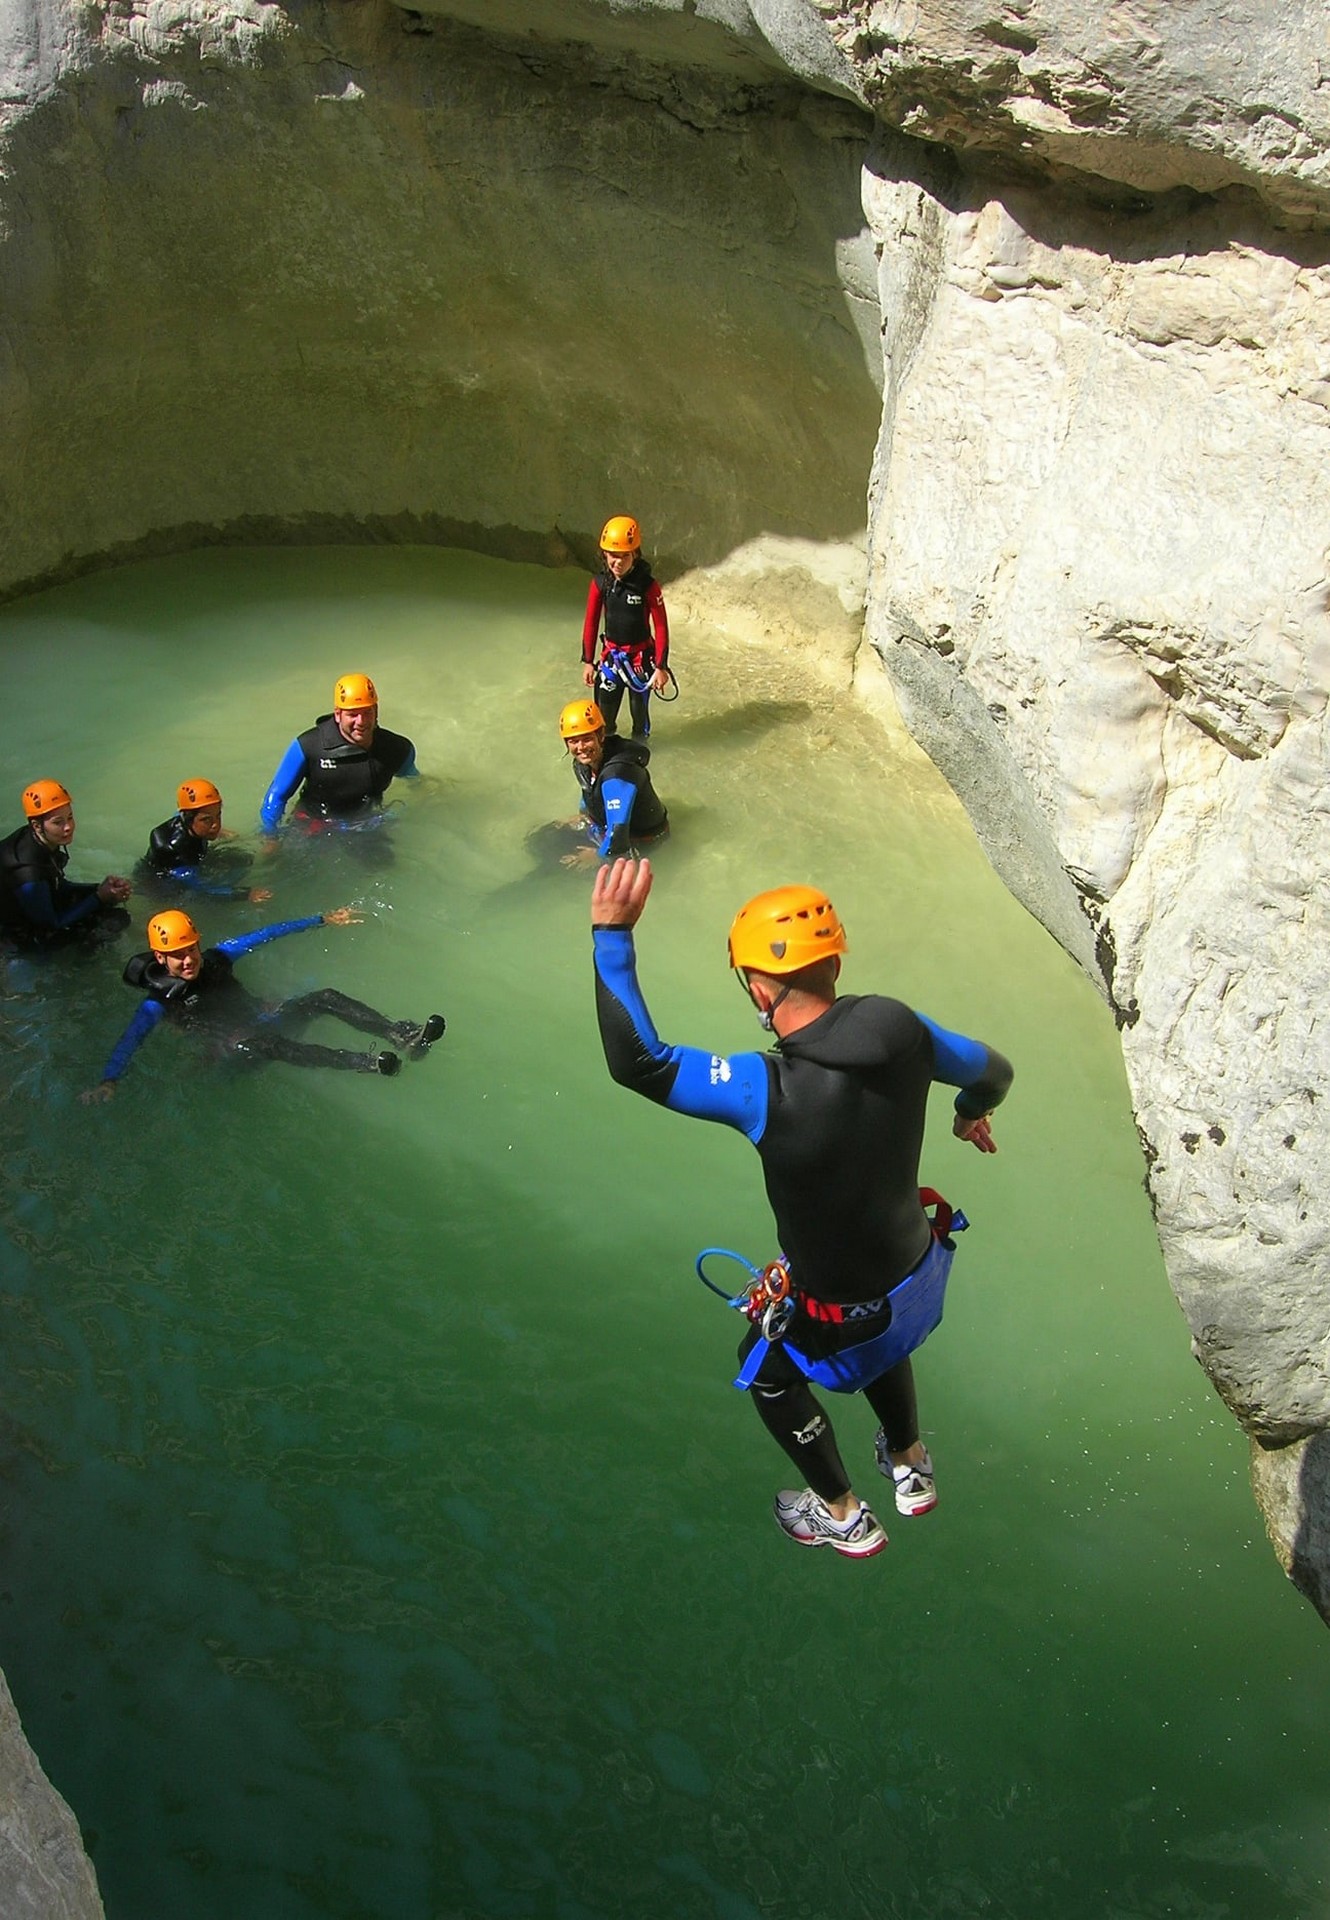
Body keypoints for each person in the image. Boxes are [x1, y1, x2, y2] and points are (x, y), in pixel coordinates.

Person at [591, 860, 1013, 1560]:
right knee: (867, 1316)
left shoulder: (766, 1087)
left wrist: (612, 936)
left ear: (758, 985)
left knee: (763, 1368)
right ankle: (910, 1461)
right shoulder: (900, 1026)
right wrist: (969, 1114)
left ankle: (842, 1514)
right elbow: (993, 1072)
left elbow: (640, 1062)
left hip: (849, 1313)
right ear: (835, 961)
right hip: (921, 1273)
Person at [84, 906, 445, 1098]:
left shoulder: (219, 957)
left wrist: (321, 919)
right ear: (161, 959)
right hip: (233, 1054)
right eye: (177, 956)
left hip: (262, 1022)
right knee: (260, 1043)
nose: (188, 960)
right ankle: (364, 1062)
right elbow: (130, 1040)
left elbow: (266, 934)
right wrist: (109, 1080)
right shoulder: (156, 1003)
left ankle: (400, 1034)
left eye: (190, 949)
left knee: (324, 997)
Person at [260, 674, 418, 833]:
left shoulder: (396, 748)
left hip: (366, 827)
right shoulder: (308, 746)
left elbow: (414, 780)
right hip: (312, 826)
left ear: (376, 710)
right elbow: (277, 796)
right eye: (353, 714)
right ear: (338, 714)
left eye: (367, 712)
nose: (361, 721)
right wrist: (270, 835)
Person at [0, 780, 132, 949]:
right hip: (18, 935)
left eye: (70, 817)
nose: (68, 827)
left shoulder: (38, 839)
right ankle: (84, 963)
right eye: (58, 822)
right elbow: (51, 924)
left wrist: (100, 889)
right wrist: (99, 897)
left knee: (109, 905)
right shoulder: (27, 873)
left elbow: (57, 886)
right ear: (37, 825)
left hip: (31, 911)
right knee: (115, 919)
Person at [580, 516, 670, 739]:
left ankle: (641, 760)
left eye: (624, 556)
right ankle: (608, 765)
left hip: (640, 663)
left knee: (640, 721)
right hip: (611, 660)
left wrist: (661, 667)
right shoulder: (600, 583)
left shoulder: (648, 586)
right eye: (612, 556)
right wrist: (588, 662)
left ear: (635, 555)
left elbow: (661, 626)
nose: (617, 562)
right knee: (603, 723)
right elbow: (590, 622)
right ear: (604, 555)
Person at [558, 700, 668, 868]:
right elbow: (588, 790)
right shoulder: (584, 762)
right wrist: (583, 816)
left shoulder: (617, 775)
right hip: (607, 831)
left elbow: (618, 835)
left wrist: (598, 856)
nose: (581, 747)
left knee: (572, 872)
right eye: (573, 741)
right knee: (546, 836)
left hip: (640, 841)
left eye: (587, 739)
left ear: (601, 735)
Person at [138, 778, 272, 903]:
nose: (215, 825)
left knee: (243, 858)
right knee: (185, 896)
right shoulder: (176, 851)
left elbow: (180, 812)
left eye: (218, 816)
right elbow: (201, 891)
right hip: (163, 882)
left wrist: (223, 833)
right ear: (188, 818)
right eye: (207, 820)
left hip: (195, 859)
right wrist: (246, 894)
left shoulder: (187, 819)